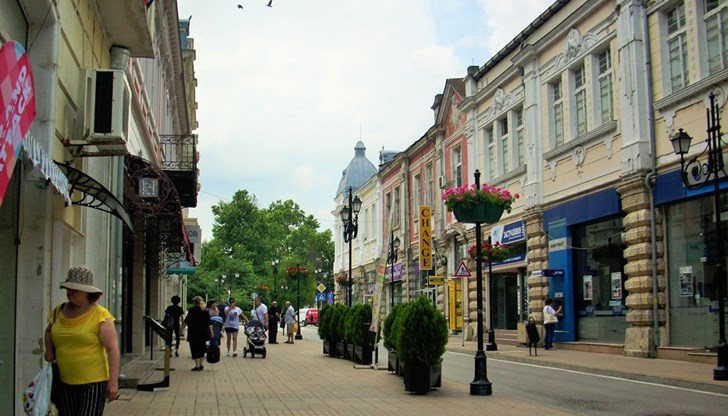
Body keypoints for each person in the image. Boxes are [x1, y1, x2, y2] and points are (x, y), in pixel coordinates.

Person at [44, 265, 120, 415]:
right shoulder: (59, 311)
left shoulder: (100, 316)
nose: (70, 292)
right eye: (68, 289)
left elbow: (112, 349)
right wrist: (49, 351)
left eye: (75, 289)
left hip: (93, 382)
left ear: (87, 292)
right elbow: (49, 331)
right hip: (64, 379)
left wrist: (113, 382)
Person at [181, 296, 212, 371]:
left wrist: (181, 330)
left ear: (194, 302)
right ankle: (201, 364)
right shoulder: (205, 311)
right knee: (202, 348)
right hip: (204, 332)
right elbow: (209, 323)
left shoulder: (192, 310)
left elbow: (186, 321)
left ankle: (197, 365)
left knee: (195, 348)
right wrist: (211, 332)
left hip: (194, 332)